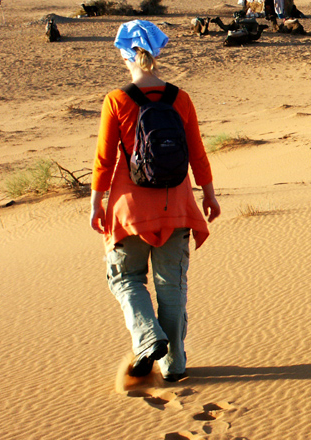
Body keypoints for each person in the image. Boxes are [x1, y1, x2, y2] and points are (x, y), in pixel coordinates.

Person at [90, 20, 221, 383]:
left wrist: (96, 203)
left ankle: (148, 337)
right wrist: (208, 194)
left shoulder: (117, 100)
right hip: (177, 206)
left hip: (129, 211)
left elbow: (104, 160)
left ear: (125, 53)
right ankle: (175, 365)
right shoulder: (180, 98)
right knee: (171, 287)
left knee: (126, 278)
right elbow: (197, 153)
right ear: (157, 50)